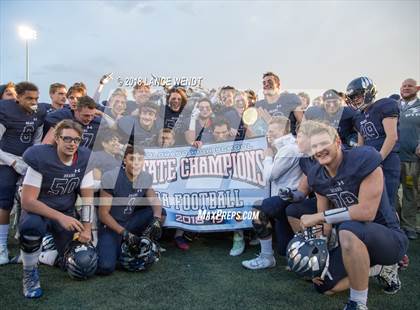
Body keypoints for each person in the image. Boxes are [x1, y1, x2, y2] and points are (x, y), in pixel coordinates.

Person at [301, 122, 408, 310]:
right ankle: (380, 269)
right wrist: (320, 258)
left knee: (348, 227)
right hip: (353, 241)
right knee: (323, 286)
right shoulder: (316, 175)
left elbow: (366, 212)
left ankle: (358, 303)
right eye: (314, 146)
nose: (319, 150)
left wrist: (319, 217)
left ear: (337, 142)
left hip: (388, 237)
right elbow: (324, 224)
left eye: (323, 143)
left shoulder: (363, 158)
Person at [19, 120, 95, 298]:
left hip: (66, 211)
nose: (72, 144)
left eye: (76, 140)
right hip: (38, 211)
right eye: (67, 138)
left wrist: (87, 228)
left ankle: (44, 252)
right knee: (31, 227)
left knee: (76, 263)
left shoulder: (84, 159)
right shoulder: (40, 157)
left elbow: (88, 199)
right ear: (57, 138)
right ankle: (29, 273)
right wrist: (60, 217)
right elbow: (28, 201)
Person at [242, 116, 302, 269]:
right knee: (283, 250)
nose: (268, 134)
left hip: (289, 198)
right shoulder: (283, 147)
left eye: (272, 131)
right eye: (268, 130)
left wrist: (268, 157)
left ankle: (266, 257)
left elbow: (270, 175)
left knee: (257, 210)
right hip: (284, 199)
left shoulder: (289, 149)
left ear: (283, 131)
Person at [97, 144, 164, 275]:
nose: (136, 163)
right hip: (112, 226)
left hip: (130, 220)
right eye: (132, 159)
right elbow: (103, 214)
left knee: (160, 213)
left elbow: (155, 202)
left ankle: (147, 242)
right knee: (106, 268)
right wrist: (125, 233)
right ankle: (118, 247)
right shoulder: (112, 177)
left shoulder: (145, 177)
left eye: (140, 159)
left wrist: (156, 219)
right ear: (125, 160)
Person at [0, 82, 47, 265]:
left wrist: (31, 159)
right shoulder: (7, 111)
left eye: (36, 98)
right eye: (29, 98)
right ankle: (2, 246)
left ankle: (26, 245)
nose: (34, 102)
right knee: (4, 202)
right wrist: (13, 162)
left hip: (27, 160)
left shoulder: (40, 113)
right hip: (6, 159)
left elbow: (37, 139)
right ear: (18, 98)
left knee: (30, 201)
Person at [346, 77, 400, 210]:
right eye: (352, 97)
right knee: (373, 202)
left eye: (357, 95)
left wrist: (378, 158)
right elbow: (361, 145)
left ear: (369, 92)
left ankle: (394, 230)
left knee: (388, 203)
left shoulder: (385, 105)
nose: (355, 100)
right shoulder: (358, 117)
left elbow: (392, 137)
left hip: (387, 159)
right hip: (371, 163)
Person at [398, 78, 420, 240]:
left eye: (409, 86)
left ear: (417, 88)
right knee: (390, 192)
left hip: (411, 159)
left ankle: (409, 225)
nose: (406, 88)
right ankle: (396, 222)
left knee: (410, 191)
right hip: (392, 158)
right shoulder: (394, 106)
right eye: (404, 86)